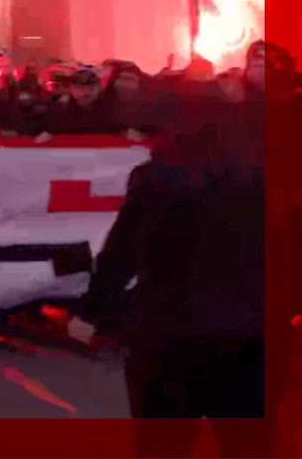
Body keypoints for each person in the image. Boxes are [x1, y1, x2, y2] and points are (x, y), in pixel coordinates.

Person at [70, 115, 266, 456]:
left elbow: (123, 251)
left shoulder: (157, 180)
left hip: (168, 338)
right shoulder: (259, 183)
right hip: (247, 337)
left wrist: (91, 311)